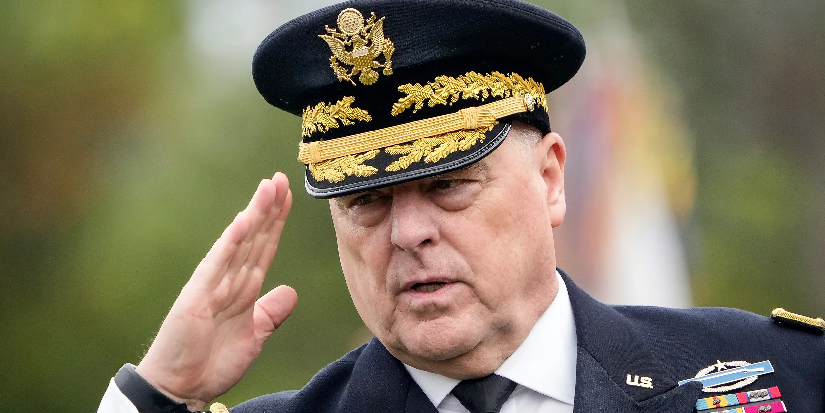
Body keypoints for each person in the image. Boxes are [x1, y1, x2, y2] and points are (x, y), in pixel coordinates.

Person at [98, 0, 825, 412]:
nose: (408, 232)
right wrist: (156, 396)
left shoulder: (780, 375)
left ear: (550, 179)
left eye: (448, 184)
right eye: (366, 199)